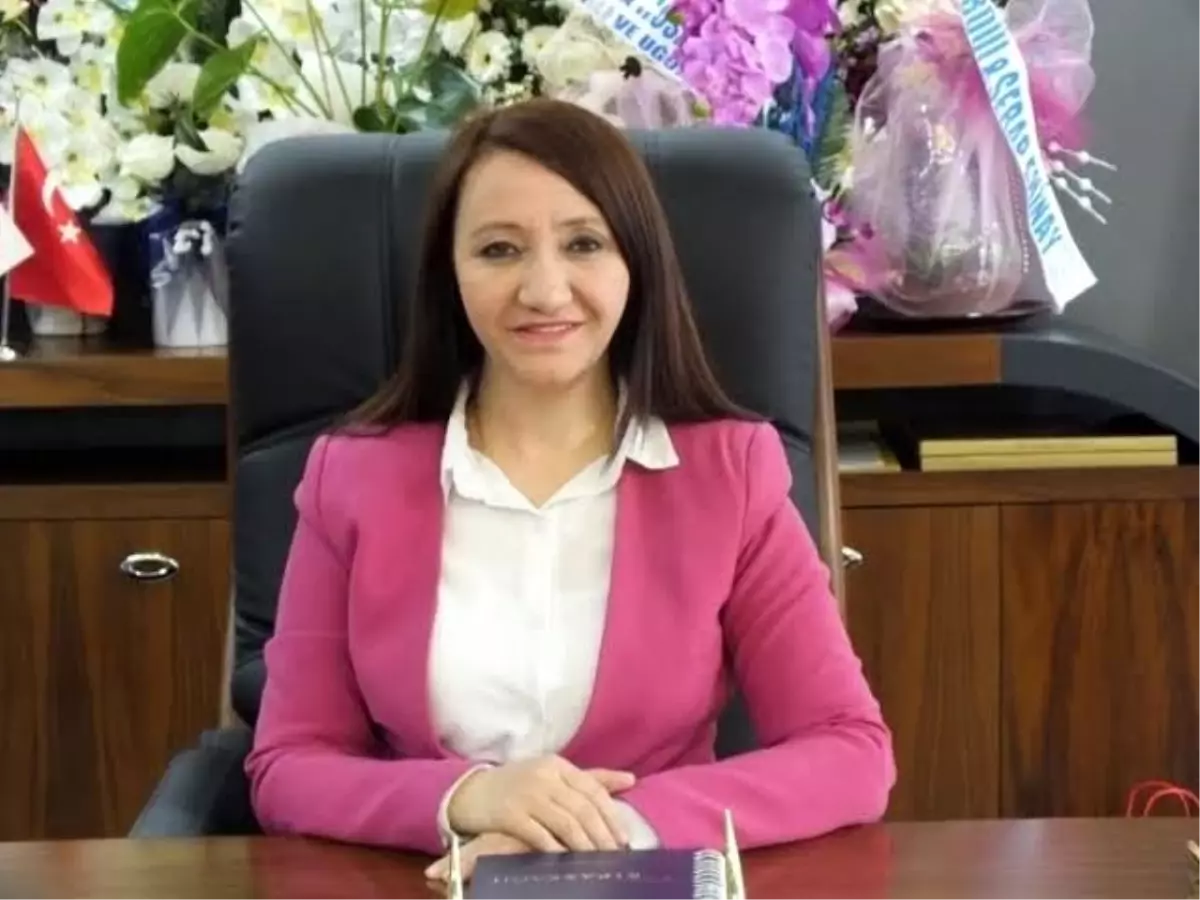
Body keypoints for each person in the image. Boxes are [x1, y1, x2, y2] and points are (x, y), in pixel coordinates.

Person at [245, 97, 895, 886]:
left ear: (635, 263)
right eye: (499, 250)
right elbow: (290, 764)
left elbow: (848, 750)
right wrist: (469, 797)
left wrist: (607, 829)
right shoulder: (352, 477)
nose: (545, 291)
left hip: (649, 886)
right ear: (450, 275)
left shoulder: (733, 475)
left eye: (584, 243)